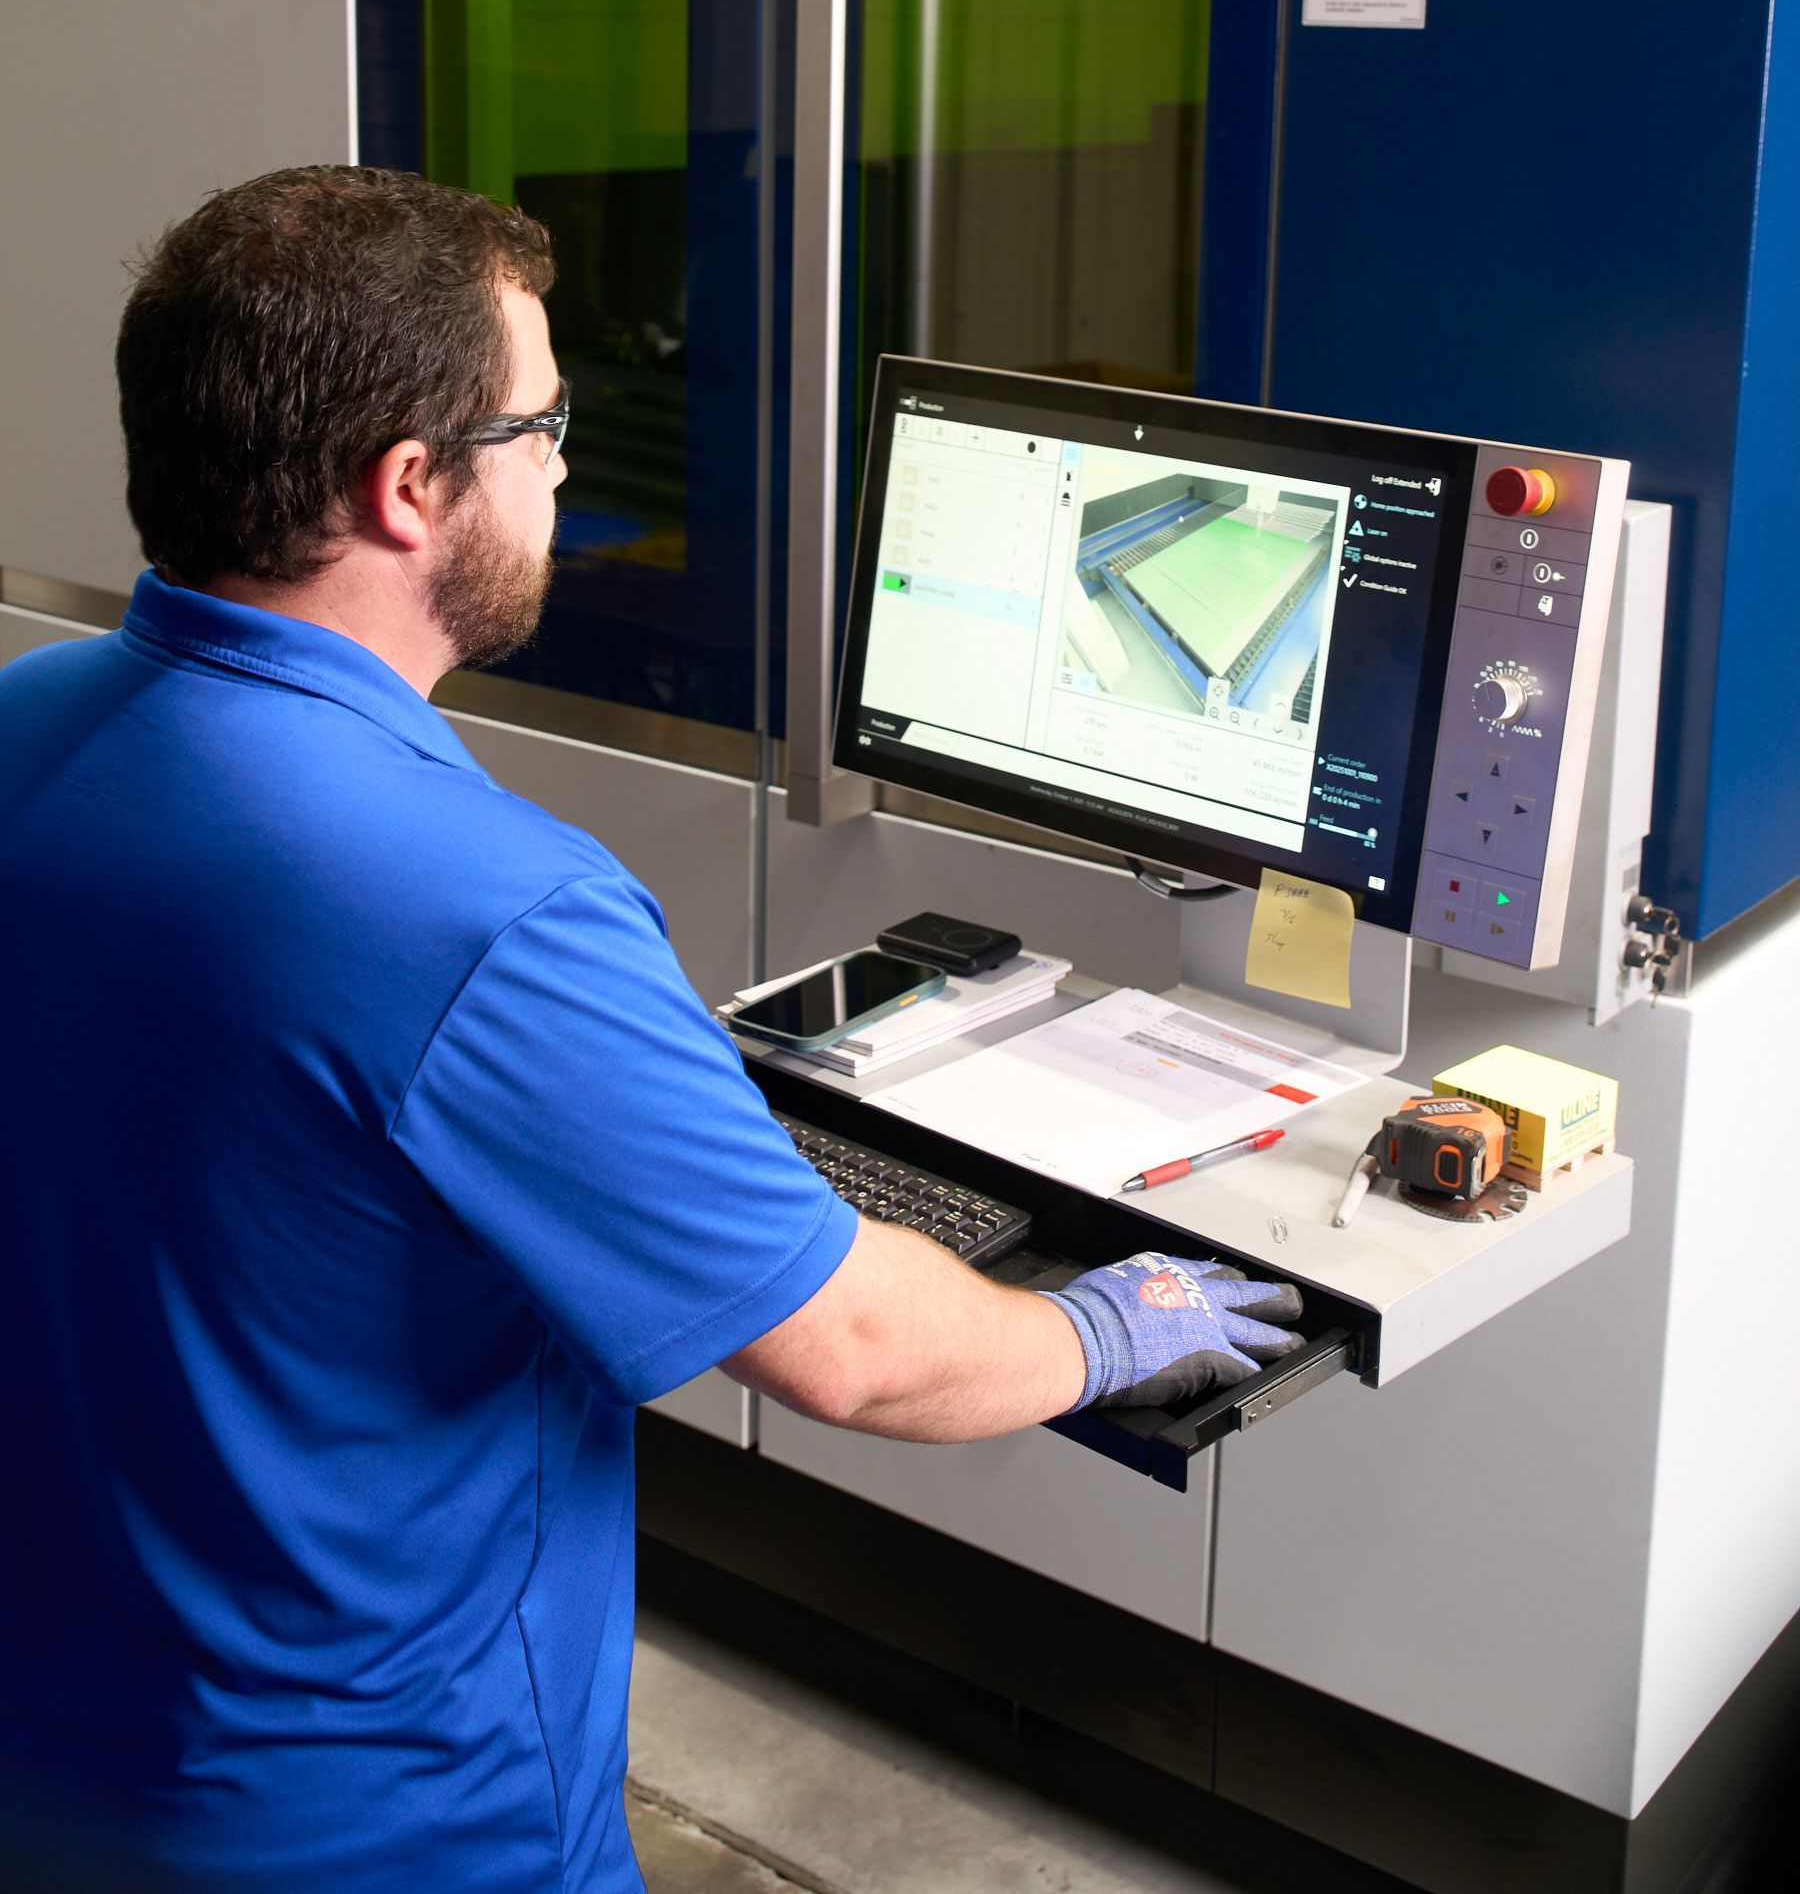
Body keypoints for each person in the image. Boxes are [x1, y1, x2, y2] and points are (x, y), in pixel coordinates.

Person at [0, 166, 1303, 1893]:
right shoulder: (488, 909)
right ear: (409, 488)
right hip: (381, 1828)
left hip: (61, 1754)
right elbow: (851, 1347)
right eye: (540, 424)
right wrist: (1105, 1333)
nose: (562, 462)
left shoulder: (27, 720)